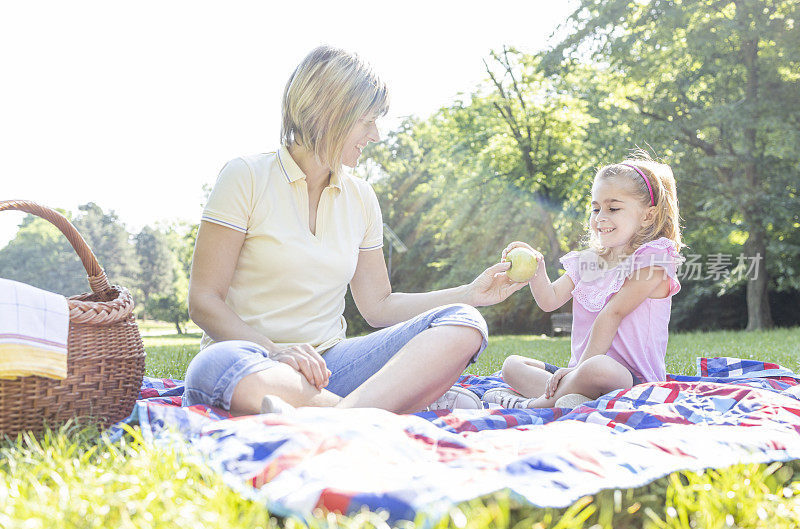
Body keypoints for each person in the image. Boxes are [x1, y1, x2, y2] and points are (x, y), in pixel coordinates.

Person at [183, 45, 527, 416]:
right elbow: (204, 301)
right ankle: (373, 413)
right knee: (212, 368)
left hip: (333, 367)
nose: (376, 135)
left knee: (465, 322)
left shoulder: (361, 197)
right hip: (253, 359)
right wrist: (276, 351)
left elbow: (379, 306)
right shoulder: (245, 176)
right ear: (330, 114)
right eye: (366, 121)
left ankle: (334, 415)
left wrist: (471, 293)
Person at [484, 153, 685, 409]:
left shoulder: (653, 261)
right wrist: (537, 269)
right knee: (512, 365)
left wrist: (578, 369)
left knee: (598, 368)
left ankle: (531, 406)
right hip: (579, 373)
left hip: (629, 381)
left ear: (647, 216)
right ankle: (573, 399)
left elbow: (612, 314)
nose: (600, 216)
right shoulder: (588, 261)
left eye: (613, 208)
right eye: (595, 208)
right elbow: (549, 300)